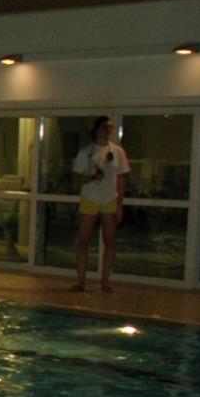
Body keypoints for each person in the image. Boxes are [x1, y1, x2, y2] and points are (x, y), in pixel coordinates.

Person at [71, 115, 131, 293]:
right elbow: (76, 178)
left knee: (110, 241)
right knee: (83, 241)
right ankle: (80, 281)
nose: (108, 132)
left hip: (109, 199)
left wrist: (120, 205)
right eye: (105, 128)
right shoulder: (86, 152)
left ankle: (105, 281)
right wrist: (91, 177)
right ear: (97, 130)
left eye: (110, 129)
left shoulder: (118, 152)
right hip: (90, 198)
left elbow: (120, 179)